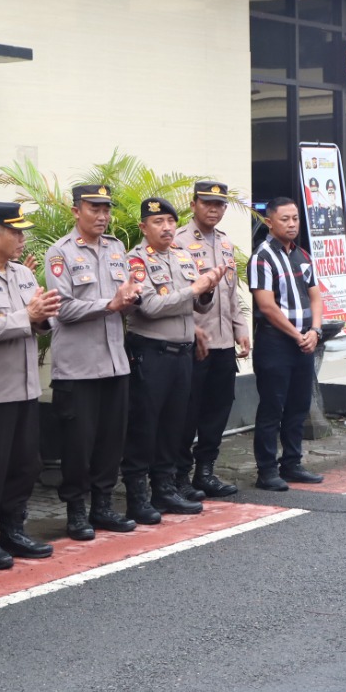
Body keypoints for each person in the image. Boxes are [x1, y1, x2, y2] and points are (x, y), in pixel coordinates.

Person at [0, 201, 60, 566]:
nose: (22, 238)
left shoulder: (22, 273)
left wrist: (43, 315)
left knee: (24, 463)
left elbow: (38, 320)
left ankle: (14, 529)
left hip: (24, 388)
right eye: (16, 231)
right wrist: (26, 316)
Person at [43, 183, 140, 540]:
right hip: (78, 367)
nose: (102, 216)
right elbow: (62, 309)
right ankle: (75, 511)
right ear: (75, 211)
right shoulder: (61, 253)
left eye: (106, 210)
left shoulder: (117, 248)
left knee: (110, 441)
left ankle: (103, 505)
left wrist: (130, 299)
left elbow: (124, 295)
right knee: (78, 444)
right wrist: (109, 305)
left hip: (115, 362)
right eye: (94, 209)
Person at [123, 197, 225, 520]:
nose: (167, 228)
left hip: (182, 353)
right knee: (145, 426)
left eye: (170, 221)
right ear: (143, 227)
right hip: (151, 353)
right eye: (158, 222)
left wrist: (207, 290)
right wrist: (196, 289)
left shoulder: (182, 256)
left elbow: (199, 307)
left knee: (173, 425)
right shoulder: (135, 261)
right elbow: (150, 306)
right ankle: (138, 497)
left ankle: (165, 490)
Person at [173, 180, 250, 500]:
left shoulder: (226, 243)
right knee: (187, 412)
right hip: (193, 343)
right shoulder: (177, 242)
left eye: (219, 205)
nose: (214, 210)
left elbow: (230, 295)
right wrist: (190, 327)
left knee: (217, 410)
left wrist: (241, 328)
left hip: (222, 343)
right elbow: (175, 296)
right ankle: (178, 476)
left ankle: (205, 471)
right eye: (207, 203)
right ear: (193, 205)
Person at [248, 197, 324, 492]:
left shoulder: (302, 255)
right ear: (270, 222)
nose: (292, 224)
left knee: (298, 405)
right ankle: (266, 470)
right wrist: (297, 334)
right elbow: (266, 306)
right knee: (272, 407)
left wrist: (315, 331)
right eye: (285, 219)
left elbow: (316, 296)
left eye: (295, 218)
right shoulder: (262, 256)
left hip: (305, 341)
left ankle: (292, 463)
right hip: (276, 341)